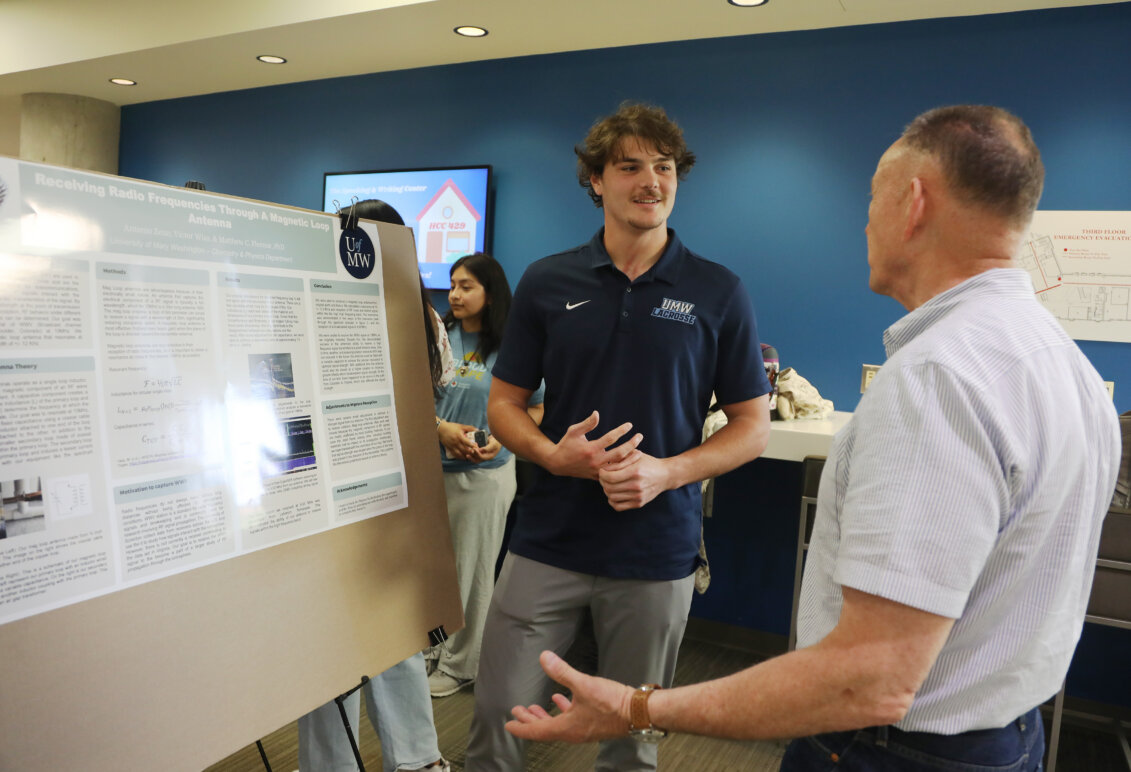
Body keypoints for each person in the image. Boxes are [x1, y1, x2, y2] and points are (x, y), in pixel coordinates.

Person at [503, 105, 1123, 772]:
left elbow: (870, 679)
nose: (864, 223)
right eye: (629, 166)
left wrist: (641, 709)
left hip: (891, 751)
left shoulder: (937, 380)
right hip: (1007, 739)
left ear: (911, 203)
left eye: (870, 200)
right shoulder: (1068, 368)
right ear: (596, 181)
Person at [464, 101, 772, 772]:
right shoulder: (548, 281)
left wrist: (667, 472)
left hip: (654, 549)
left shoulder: (717, 291)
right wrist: (550, 454)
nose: (650, 182)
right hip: (547, 539)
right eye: (629, 166)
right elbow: (505, 404)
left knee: (631, 742)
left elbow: (752, 427)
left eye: (662, 168)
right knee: (497, 716)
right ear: (596, 181)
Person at [297, 199, 450, 772]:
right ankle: (414, 760)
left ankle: (400, 760)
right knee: (368, 640)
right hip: (376, 494)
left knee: (378, 638)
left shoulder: (410, 314)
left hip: (368, 496)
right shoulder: (416, 310)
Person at [427, 252, 544, 698]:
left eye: (467, 286)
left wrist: (503, 435)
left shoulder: (514, 344)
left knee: (472, 572)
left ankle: (463, 664)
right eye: (453, 284)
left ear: (490, 293)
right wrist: (439, 430)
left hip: (485, 475)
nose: (455, 294)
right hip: (432, 470)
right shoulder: (439, 335)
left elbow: (536, 405)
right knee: (434, 572)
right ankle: (434, 651)